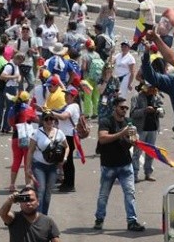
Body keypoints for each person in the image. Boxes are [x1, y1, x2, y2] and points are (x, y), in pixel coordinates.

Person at [93, 96, 146, 232]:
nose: (124, 110)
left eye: (126, 108)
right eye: (122, 107)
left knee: (130, 193)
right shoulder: (106, 121)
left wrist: (135, 139)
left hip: (125, 165)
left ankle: (132, 221)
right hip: (108, 165)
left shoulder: (129, 122)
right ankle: (99, 219)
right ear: (114, 107)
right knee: (103, 195)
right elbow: (103, 138)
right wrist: (121, 133)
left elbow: (134, 141)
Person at [0, 185, 67, 242]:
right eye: (24, 200)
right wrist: (9, 201)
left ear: (38, 202)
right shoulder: (14, 218)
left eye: (31, 200)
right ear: (19, 203)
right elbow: (3, 214)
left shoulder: (48, 221)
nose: (28, 203)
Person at [25, 111, 69, 215]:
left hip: (53, 167)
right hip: (38, 166)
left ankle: (44, 216)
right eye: (46, 119)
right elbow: (30, 151)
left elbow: (67, 147)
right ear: (42, 121)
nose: (49, 121)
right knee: (41, 191)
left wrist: (65, 158)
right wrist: (28, 168)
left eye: (51, 119)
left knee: (48, 193)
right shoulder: (36, 133)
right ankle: (37, 216)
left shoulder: (59, 133)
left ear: (54, 120)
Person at [130, 83, 163, 182]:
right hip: (141, 129)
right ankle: (134, 175)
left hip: (153, 129)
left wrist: (156, 110)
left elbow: (162, 112)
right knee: (137, 153)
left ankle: (148, 173)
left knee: (150, 153)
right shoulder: (136, 97)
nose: (153, 90)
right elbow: (133, 113)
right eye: (151, 88)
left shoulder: (156, 97)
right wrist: (145, 110)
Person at [51, 86, 81, 192]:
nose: (65, 96)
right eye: (65, 94)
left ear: (73, 97)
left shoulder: (72, 106)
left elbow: (64, 116)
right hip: (66, 136)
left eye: (67, 94)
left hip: (68, 136)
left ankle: (70, 184)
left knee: (67, 161)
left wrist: (52, 114)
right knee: (65, 161)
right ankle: (66, 182)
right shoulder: (70, 106)